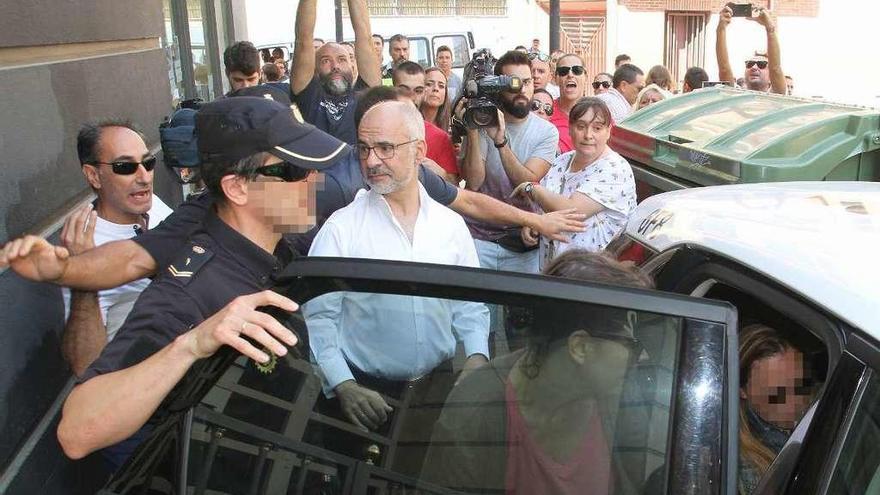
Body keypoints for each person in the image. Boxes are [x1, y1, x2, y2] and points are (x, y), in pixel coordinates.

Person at [0, 88, 586, 302]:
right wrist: (62, 271)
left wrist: (538, 220)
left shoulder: (371, 170)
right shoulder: (212, 216)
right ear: (236, 182)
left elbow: (466, 202)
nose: (376, 160)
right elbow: (132, 257)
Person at [55, 96, 347, 466]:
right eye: (293, 170)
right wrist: (192, 344)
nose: (313, 179)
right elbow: (77, 431)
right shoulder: (187, 295)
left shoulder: (282, 243)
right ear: (237, 188)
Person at [304, 100, 489, 436]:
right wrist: (344, 384)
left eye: (385, 148)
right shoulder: (341, 229)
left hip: (439, 390)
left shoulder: (450, 226)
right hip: (367, 399)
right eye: (364, 149)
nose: (371, 160)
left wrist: (477, 355)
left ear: (419, 151)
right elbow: (318, 316)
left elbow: (469, 303)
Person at [421, 250, 653, 493]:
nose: (644, 357)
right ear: (580, 347)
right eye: (633, 345)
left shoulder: (623, 398)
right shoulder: (475, 414)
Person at [60, 122, 173, 376]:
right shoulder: (85, 243)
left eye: (148, 163)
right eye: (125, 167)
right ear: (93, 176)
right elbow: (85, 366)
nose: (144, 176)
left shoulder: (151, 203)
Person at [460, 50, 559, 275]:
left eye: (526, 82)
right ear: (497, 87)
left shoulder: (546, 132)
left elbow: (526, 185)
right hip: (478, 239)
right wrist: (473, 130)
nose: (521, 90)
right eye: (513, 84)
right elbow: (474, 183)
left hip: (522, 242)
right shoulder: (483, 119)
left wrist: (501, 142)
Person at [513, 98, 636, 269]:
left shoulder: (616, 168)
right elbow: (546, 207)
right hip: (554, 269)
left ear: (609, 131)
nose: (588, 135)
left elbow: (572, 211)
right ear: (570, 129)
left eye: (597, 128)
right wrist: (535, 223)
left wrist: (532, 188)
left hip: (592, 274)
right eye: (581, 126)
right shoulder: (562, 161)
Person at [738, 324, 816, 495]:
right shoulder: (747, 470)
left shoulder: (827, 406)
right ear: (742, 391)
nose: (795, 401)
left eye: (800, 385)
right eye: (777, 395)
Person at [290, 0, 380, 144]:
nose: (335, 66)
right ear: (314, 69)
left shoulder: (364, 95)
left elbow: (365, 36)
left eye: (342, 59)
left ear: (352, 65)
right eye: (326, 60)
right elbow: (303, 40)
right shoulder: (309, 95)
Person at [393, 62, 458, 183]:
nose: (435, 89)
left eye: (417, 90)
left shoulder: (442, 137)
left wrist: (440, 172)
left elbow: (454, 183)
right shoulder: (379, 127)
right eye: (403, 90)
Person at [716, 4, 785, 94]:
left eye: (762, 64)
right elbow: (724, 69)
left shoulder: (776, 95)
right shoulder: (735, 96)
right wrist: (721, 29)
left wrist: (770, 28)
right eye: (749, 64)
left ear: (770, 78)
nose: (754, 67)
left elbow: (775, 69)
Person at [548, 53, 587, 153]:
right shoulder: (544, 111)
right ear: (556, 78)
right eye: (563, 71)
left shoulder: (600, 113)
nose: (570, 75)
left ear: (585, 77)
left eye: (577, 70)